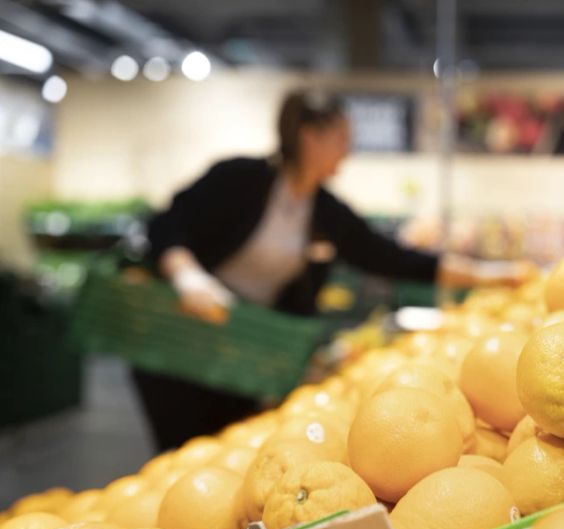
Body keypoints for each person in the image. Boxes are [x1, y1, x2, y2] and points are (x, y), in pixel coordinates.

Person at [134, 89, 527, 451]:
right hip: (179, 338)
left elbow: (391, 257)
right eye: (342, 139)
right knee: (180, 450)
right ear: (309, 137)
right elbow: (165, 224)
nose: (348, 150)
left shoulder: (324, 211)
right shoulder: (239, 179)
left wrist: (488, 275)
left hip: (239, 351)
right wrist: (188, 277)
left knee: (220, 446)